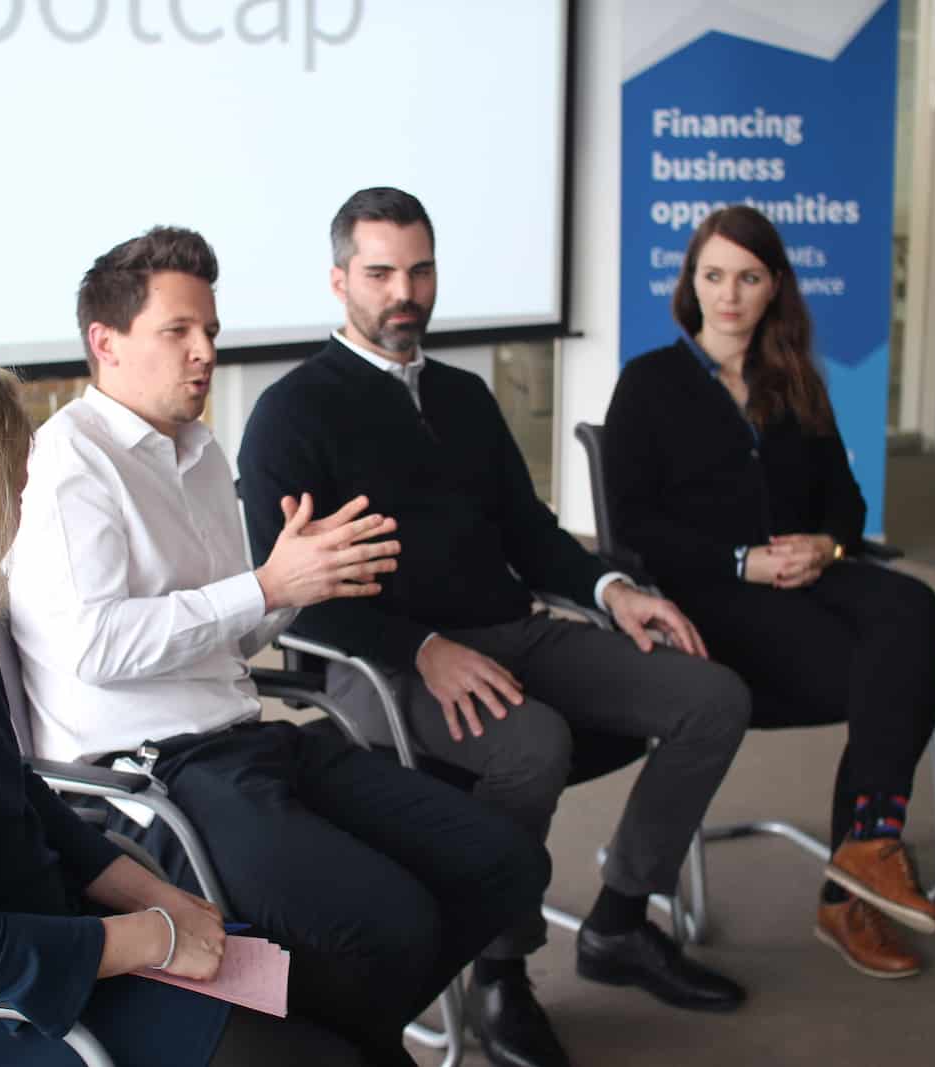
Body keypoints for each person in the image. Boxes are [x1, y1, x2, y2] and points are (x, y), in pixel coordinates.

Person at [5, 227, 550, 1067]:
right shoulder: (71, 463)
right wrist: (265, 585)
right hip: (151, 776)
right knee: (393, 923)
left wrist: (299, 583)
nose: (204, 352)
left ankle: (336, 1039)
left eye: (210, 331)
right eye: (177, 331)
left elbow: (230, 629)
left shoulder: (197, 449)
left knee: (506, 864)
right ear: (105, 343)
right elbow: (96, 647)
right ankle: (341, 1041)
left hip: (246, 738)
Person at [237, 187, 752, 1067]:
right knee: (533, 744)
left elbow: (531, 534)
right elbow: (294, 597)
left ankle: (620, 920)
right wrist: (422, 649)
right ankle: (501, 972)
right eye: (380, 273)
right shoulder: (293, 412)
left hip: (511, 629)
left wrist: (612, 589)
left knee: (713, 697)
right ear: (338, 281)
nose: (405, 291)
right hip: (379, 662)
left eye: (421, 270)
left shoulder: (464, 395)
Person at [0, 363, 365, 1066]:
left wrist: (154, 896)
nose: (22, 519)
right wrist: (156, 936)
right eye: (16, 496)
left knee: (343, 991)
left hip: (55, 936)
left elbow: (16, 790)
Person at [603, 205, 935, 980]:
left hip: (809, 578)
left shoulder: (795, 381)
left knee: (915, 604)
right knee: (906, 684)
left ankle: (866, 849)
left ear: (775, 287)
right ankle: (851, 888)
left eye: (749, 277)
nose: (729, 295)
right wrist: (740, 561)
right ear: (692, 284)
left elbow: (847, 505)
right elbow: (633, 528)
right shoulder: (649, 383)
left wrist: (826, 546)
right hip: (712, 598)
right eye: (714, 275)